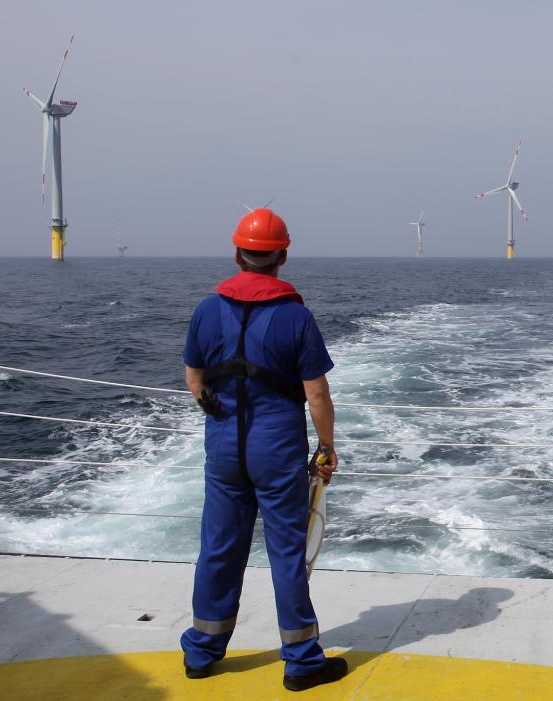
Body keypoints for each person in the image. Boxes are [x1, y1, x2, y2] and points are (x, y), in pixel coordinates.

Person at [179, 207, 348, 692]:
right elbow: (316, 393)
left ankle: (202, 652)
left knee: (219, 546)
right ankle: (300, 661)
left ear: (237, 253)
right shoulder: (295, 316)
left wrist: (213, 407)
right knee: (286, 553)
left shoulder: (207, 309)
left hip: (224, 445)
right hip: (276, 444)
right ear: (283, 257)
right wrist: (327, 446)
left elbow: (194, 378)